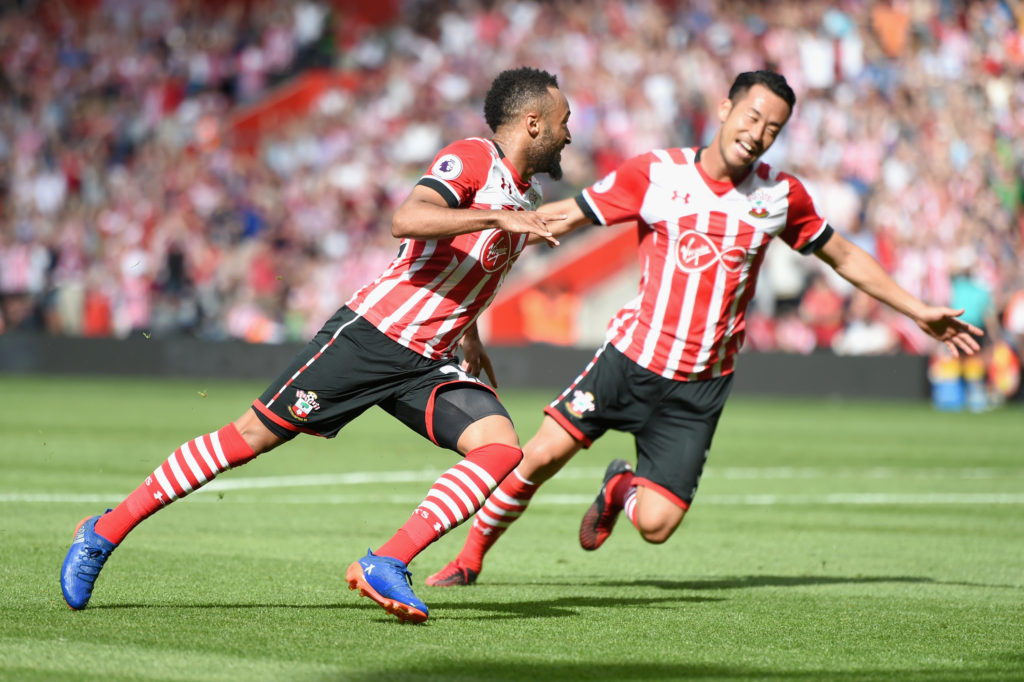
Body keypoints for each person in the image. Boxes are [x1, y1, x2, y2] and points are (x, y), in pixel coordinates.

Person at [426, 70, 982, 587]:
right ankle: (468, 560)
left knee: (658, 525)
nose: (758, 133)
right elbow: (561, 217)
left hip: (700, 386)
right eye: (751, 117)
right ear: (725, 108)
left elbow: (841, 255)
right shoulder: (657, 174)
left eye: (773, 128)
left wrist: (916, 309)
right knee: (538, 457)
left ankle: (620, 486)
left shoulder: (780, 197)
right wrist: (479, 246)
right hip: (631, 359)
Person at [60, 66, 572, 623]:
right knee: (249, 437)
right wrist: (496, 214)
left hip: (429, 359)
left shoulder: (531, 193)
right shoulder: (474, 160)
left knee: (500, 448)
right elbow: (407, 219)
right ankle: (102, 533)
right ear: (533, 122)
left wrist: (470, 336)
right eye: (564, 121)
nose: (570, 134)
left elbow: (463, 266)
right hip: (373, 336)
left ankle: (387, 562)